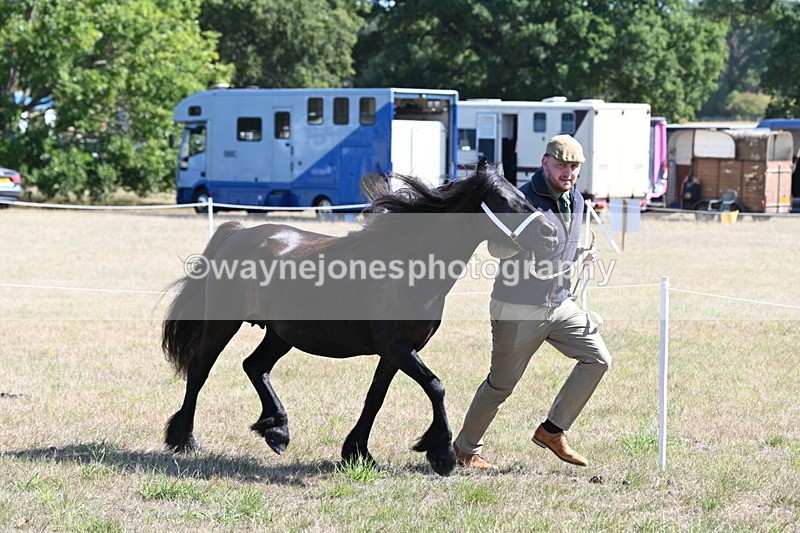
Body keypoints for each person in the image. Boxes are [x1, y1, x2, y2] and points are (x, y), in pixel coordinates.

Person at [453, 134, 611, 469]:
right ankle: (466, 450)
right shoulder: (520, 199)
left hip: (560, 303)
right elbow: (495, 250)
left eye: (573, 166)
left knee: (598, 359)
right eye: (561, 165)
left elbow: (561, 246)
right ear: (545, 162)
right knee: (500, 386)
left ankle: (552, 431)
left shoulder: (578, 200)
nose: (567, 172)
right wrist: (522, 243)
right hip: (517, 306)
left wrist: (579, 253)